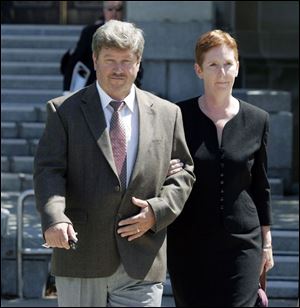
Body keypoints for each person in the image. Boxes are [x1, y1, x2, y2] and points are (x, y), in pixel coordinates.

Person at [34, 20, 195, 307]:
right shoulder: (63, 111)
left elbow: (183, 174)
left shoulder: (168, 114)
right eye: (110, 60)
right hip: (81, 255)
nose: (118, 69)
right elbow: (49, 170)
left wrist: (157, 213)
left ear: (138, 63)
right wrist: (54, 217)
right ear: (95, 60)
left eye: (126, 61)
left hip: (142, 257)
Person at [167, 29, 274, 307]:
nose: (222, 72)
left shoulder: (257, 119)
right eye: (213, 65)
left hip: (242, 243)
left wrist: (267, 243)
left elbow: (261, 187)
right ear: (198, 70)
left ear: (237, 67)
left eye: (228, 64)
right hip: (189, 242)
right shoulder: (178, 116)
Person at [61, 1, 143, 95]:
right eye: (110, 9)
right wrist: (67, 90)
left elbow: (136, 64)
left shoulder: (132, 34)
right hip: (94, 89)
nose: (114, 13)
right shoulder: (90, 32)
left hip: (121, 90)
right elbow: (76, 61)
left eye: (118, 9)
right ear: (104, 11)